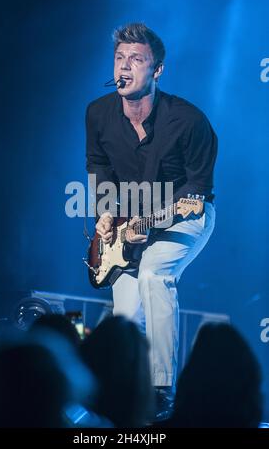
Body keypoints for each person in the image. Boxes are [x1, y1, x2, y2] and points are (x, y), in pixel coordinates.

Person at [86, 22, 217, 419]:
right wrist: (106, 214)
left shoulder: (190, 121)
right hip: (130, 225)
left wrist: (155, 221)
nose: (124, 67)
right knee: (125, 317)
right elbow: (98, 164)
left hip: (183, 216)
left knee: (154, 274)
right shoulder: (97, 113)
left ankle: (163, 388)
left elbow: (196, 192)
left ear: (157, 70)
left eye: (136, 60)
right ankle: (127, 397)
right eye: (119, 58)